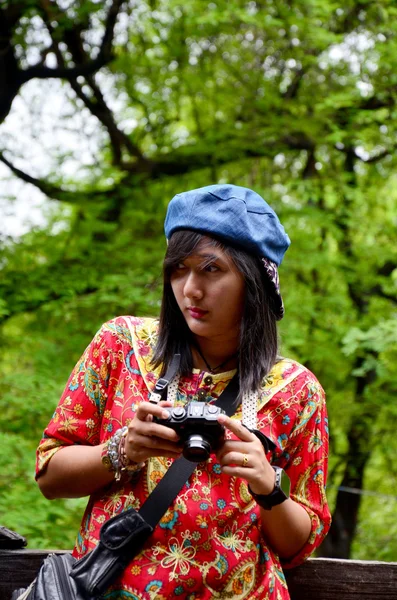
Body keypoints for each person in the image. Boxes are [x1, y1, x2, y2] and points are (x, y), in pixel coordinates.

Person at [36, 184, 331, 599]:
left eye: (211, 269)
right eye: (178, 269)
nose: (190, 289)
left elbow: (299, 545)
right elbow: (49, 475)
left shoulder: (296, 391)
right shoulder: (121, 345)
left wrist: (267, 486)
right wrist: (122, 450)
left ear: (254, 279)